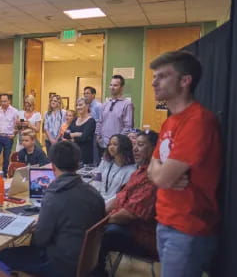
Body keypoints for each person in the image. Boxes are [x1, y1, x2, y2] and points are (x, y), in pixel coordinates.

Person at [147, 51, 221, 277]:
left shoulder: (198, 120)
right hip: (165, 221)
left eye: (162, 76)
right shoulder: (171, 121)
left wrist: (161, 174)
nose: (154, 82)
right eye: (154, 76)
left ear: (185, 81)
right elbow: (151, 168)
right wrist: (161, 173)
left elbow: (160, 177)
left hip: (188, 227)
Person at [0, 141, 105, 277]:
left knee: (1, 257)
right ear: (77, 164)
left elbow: (41, 240)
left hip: (61, 265)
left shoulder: (54, 196)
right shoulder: (93, 193)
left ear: (52, 167)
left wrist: (38, 228)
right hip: (89, 262)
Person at [93, 130, 159, 276]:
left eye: (140, 145)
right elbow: (118, 198)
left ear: (155, 148)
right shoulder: (138, 172)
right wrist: (97, 215)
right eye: (134, 144)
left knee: (100, 235)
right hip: (120, 221)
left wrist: (98, 223)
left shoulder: (152, 177)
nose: (135, 148)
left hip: (140, 234)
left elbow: (128, 215)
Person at [95, 75, 134, 154]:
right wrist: (98, 137)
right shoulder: (105, 104)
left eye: (115, 85)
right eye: (111, 85)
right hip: (103, 145)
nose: (112, 87)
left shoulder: (127, 104)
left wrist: (117, 141)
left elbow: (128, 126)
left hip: (118, 146)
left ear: (122, 87)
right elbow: (100, 122)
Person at [96, 134, 136, 203]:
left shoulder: (131, 170)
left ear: (123, 146)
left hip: (113, 204)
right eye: (110, 144)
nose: (111, 147)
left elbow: (122, 194)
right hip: (98, 198)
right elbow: (98, 178)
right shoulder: (106, 161)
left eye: (115, 144)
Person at [0, 94, 19, 177]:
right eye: (2, 101)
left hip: (8, 137)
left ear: (9, 101)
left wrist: (14, 135)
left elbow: (18, 125)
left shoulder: (14, 111)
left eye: (5, 101)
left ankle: (4, 174)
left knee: (6, 157)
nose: (3, 103)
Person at [64, 98, 96, 165]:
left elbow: (84, 138)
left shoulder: (91, 121)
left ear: (87, 106)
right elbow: (65, 135)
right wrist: (76, 134)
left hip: (85, 156)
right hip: (73, 154)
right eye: (77, 105)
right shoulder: (75, 120)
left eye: (80, 105)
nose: (78, 107)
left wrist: (72, 136)